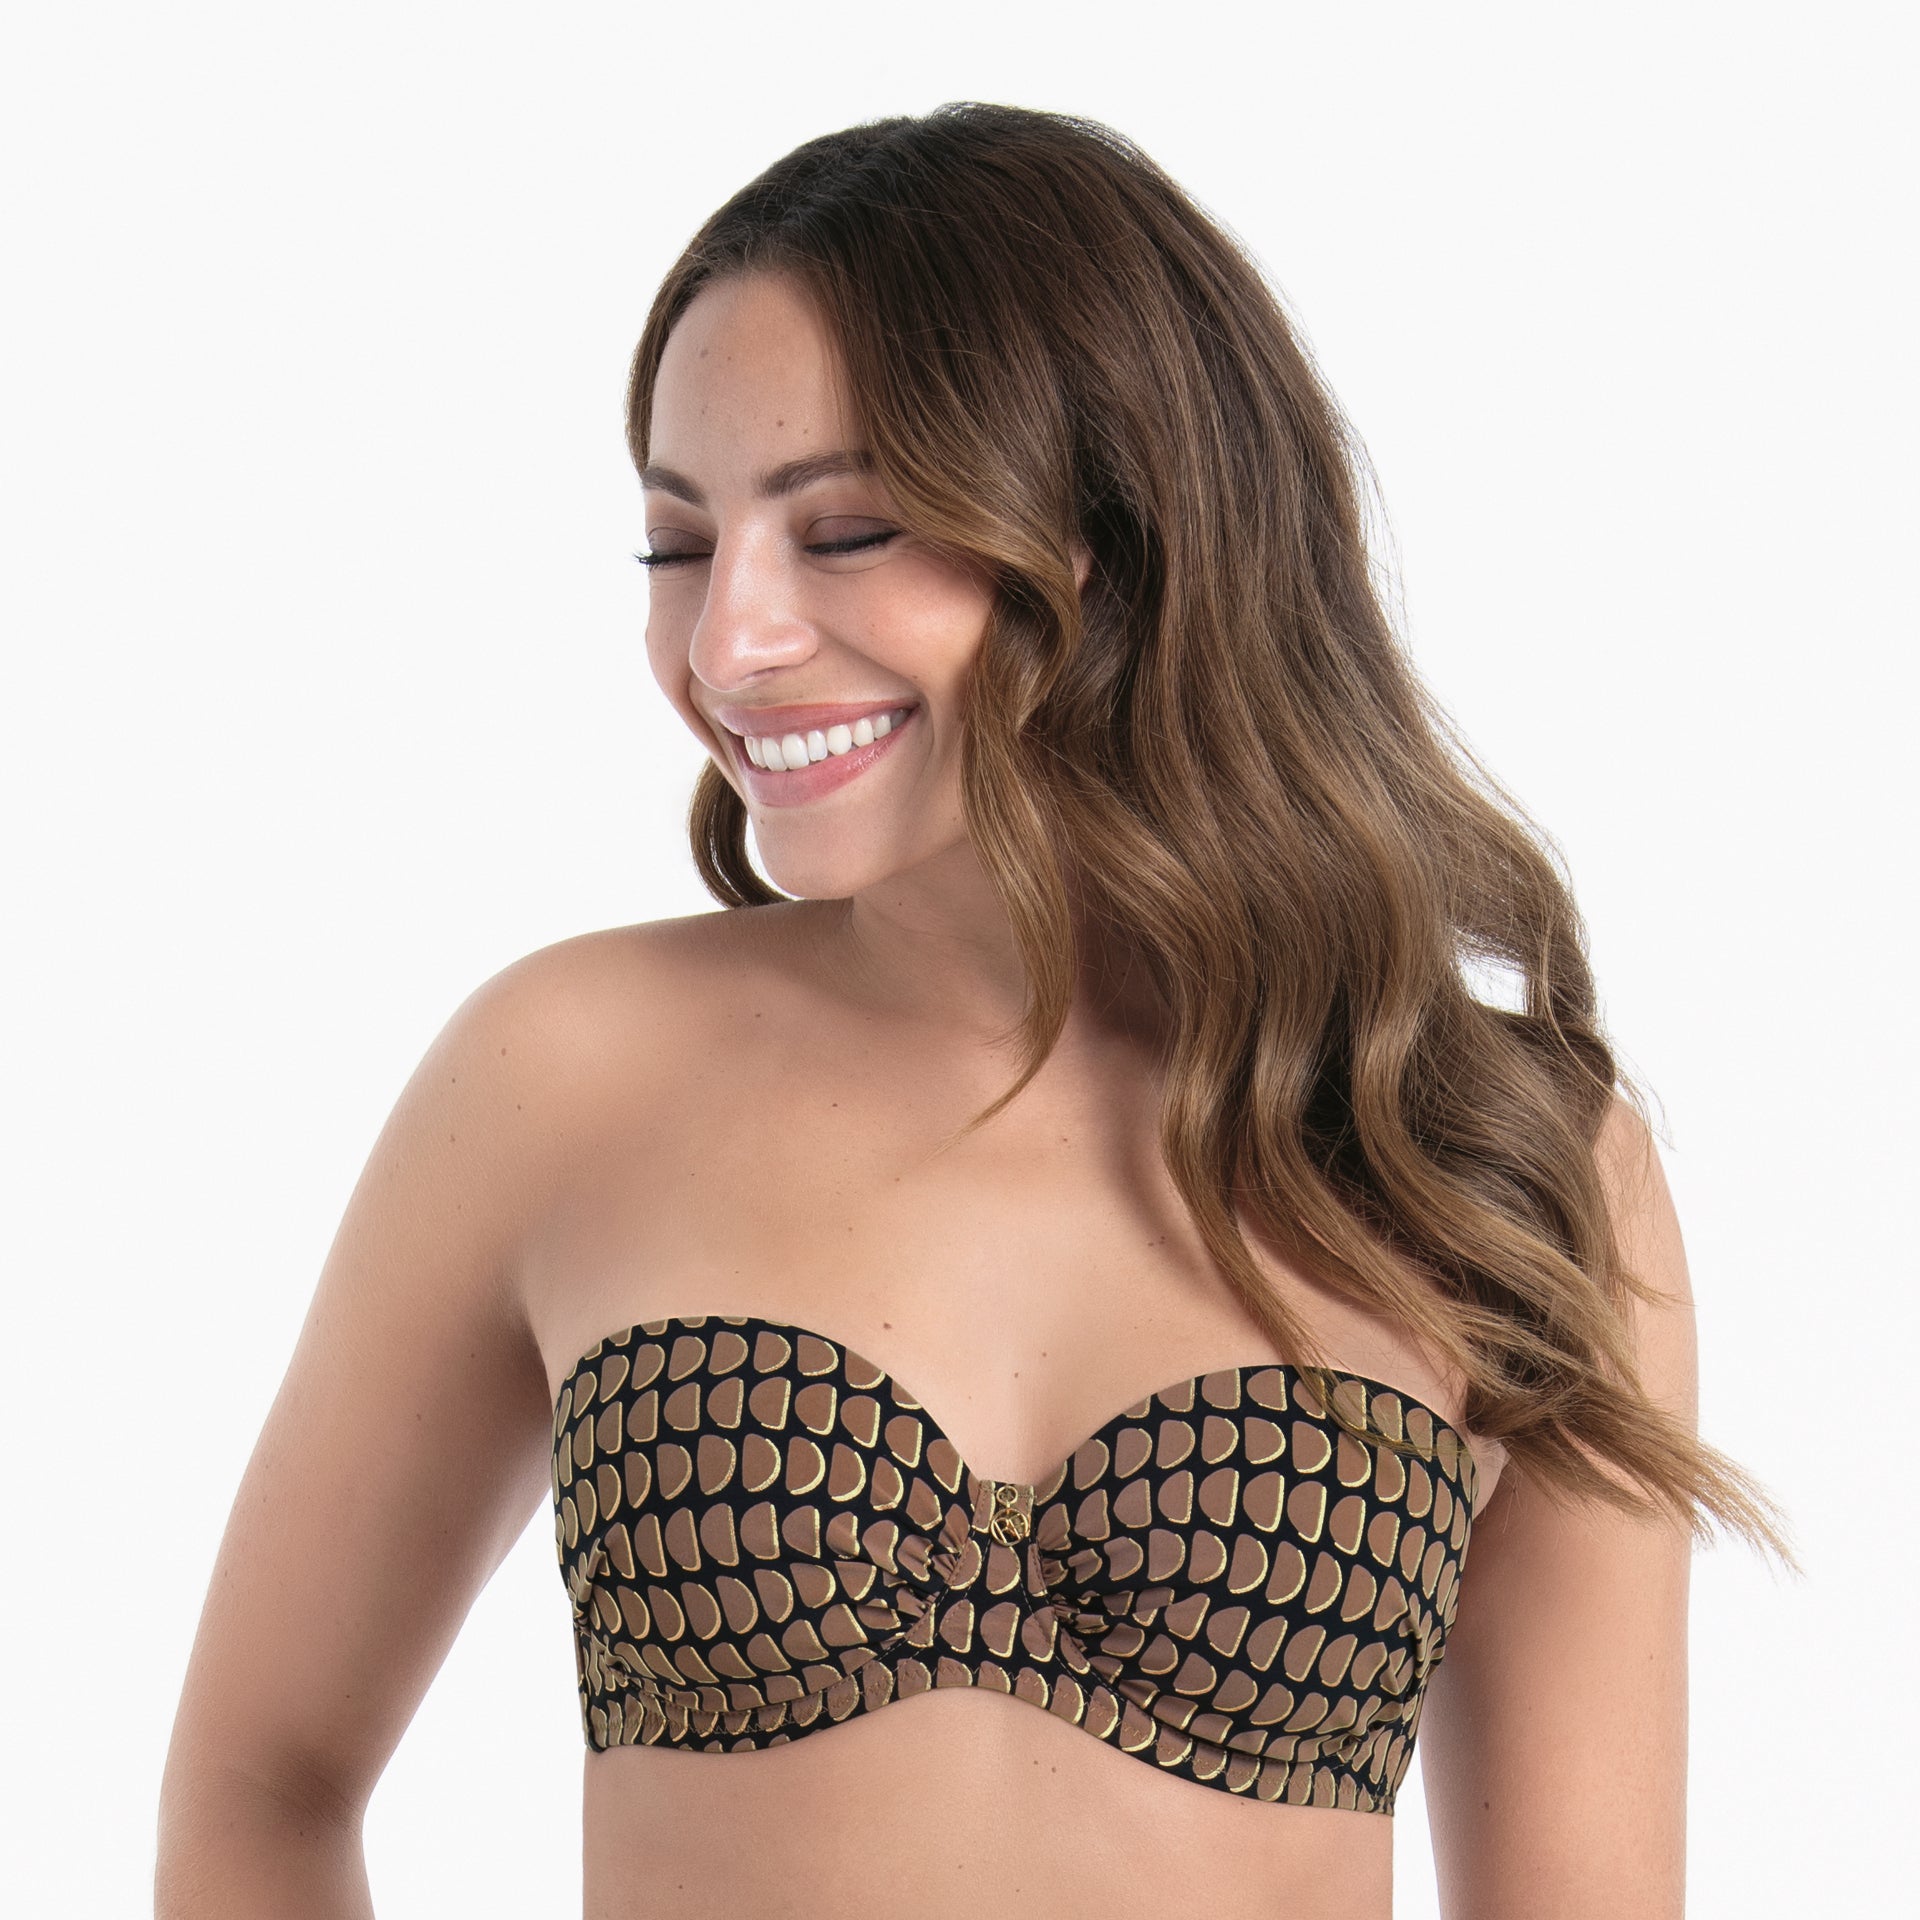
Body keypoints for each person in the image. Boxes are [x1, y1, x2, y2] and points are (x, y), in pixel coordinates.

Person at [155, 102, 1792, 1919]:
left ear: (1125, 541)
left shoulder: (1497, 1156)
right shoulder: (562, 1078)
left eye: (845, 529)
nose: (728, 641)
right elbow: (257, 1788)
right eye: (679, 544)